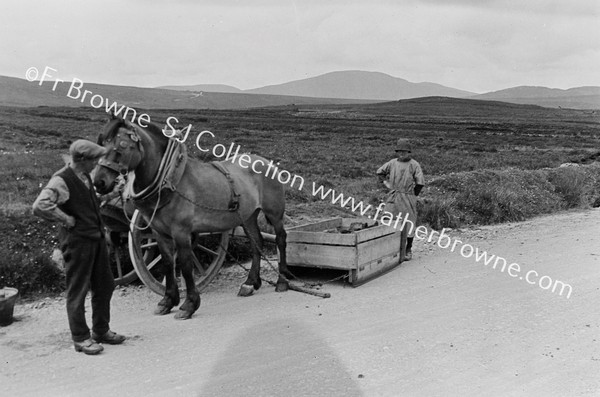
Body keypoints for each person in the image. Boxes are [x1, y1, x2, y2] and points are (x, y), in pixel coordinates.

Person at [33, 139, 126, 355]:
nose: (97, 164)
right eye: (94, 160)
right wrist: (66, 219)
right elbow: (40, 205)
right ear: (83, 160)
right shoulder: (61, 180)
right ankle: (81, 338)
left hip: (95, 239)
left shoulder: (84, 176)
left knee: (105, 285)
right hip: (77, 242)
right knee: (78, 289)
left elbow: (89, 202)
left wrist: (112, 194)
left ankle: (101, 330)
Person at [376, 138, 425, 261]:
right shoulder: (392, 163)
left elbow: (420, 182)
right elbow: (380, 172)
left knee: (409, 223)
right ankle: (390, 249)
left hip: (407, 196)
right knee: (388, 220)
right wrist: (387, 184)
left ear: (409, 152)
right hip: (393, 195)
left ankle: (408, 249)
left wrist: (413, 195)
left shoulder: (414, 164)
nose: (402, 154)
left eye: (405, 151)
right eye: (400, 151)